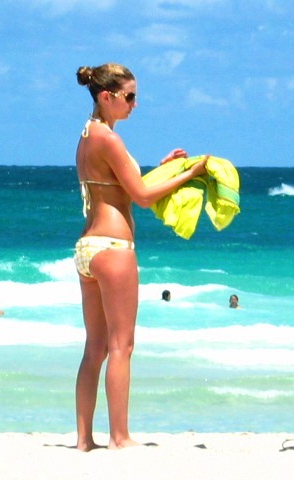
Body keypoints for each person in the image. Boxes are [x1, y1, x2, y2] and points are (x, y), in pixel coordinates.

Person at [73, 63, 208, 451]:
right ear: (107, 96)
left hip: (86, 248)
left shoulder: (88, 136)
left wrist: (164, 169)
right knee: (121, 346)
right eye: (129, 97)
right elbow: (143, 198)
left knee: (94, 347)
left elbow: (122, 185)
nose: (135, 104)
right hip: (114, 248)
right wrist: (192, 173)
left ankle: (84, 440)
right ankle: (120, 436)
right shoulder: (110, 140)